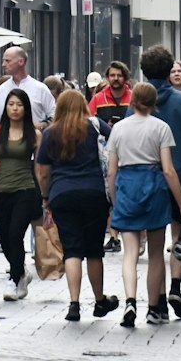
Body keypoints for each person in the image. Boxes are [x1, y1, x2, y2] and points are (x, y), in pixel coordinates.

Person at [105, 83, 181, 327]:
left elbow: (111, 171)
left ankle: (130, 301)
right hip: (154, 185)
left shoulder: (119, 129)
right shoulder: (161, 127)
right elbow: (169, 170)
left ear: (132, 101)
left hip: (127, 185)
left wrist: (114, 201)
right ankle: (154, 308)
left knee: (130, 253)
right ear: (154, 103)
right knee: (156, 253)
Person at [135, 45, 181, 319]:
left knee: (155, 243)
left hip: (148, 177)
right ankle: (176, 286)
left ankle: (158, 302)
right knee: (179, 235)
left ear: (144, 71)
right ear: (169, 71)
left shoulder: (138, 102)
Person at [36, 90, 116, 321]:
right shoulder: (95, 126)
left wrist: (45, 196)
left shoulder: (51, 133)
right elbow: (115, 143)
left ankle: (74, 304)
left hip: (62, 194)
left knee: (72, 249)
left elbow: (43, 172)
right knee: (94, 250)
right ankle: (99, 300)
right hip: (94, 193)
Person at [0, 89, 43, 303]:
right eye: (11, 104)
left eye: (19, 105)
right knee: (4, 238)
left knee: (15, 234)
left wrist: (44, 195)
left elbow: (39, 168)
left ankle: (13, 280)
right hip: (1, 190)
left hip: (25, 189)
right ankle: (21, 273)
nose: (15, 108)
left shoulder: (34, 134)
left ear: (26, 108)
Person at [0, 46, 56, 128]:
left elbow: (54, 115)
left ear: (21, 62)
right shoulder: (2, 89)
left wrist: (42, 125)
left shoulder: (40, 88)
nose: (3, 64)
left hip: (33, 135)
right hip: (7, 135)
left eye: (7, 61)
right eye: (3, 61)